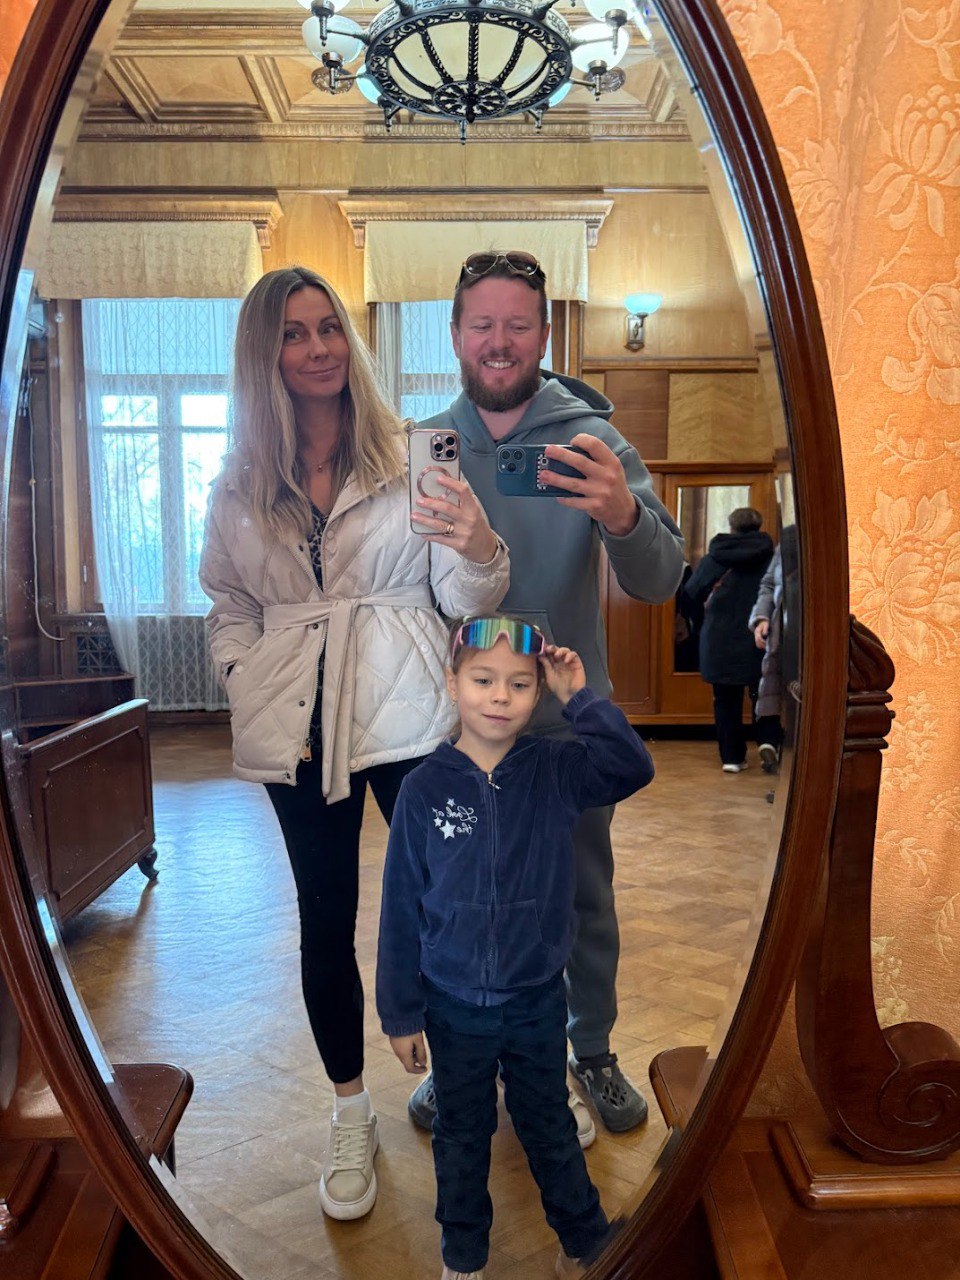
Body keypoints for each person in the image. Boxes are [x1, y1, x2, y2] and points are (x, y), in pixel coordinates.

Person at [198, 266, 510, 1221]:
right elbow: (228, 603)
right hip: (296, 723)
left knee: (450, 908)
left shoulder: (416, 453)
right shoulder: (238, 484)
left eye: (328, 327)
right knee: (324, 919)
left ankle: (457, 1081)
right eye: (293, 334)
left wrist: (478, 544)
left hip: (409, 712)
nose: (318, 348)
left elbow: (461, 598)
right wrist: (242, 675)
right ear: (264, 355)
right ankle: (349, 1111)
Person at [405, 250, 684, 1135]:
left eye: (518, 325)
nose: (500, 342)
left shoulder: (592, 441)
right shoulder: (427, 445)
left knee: (582, 897)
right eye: (482, 324)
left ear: (545, 334)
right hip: (460, 731)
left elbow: (661, 581)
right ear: (456, 335)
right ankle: (458, 1058)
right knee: (453, 901)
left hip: (564, 724)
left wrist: (623, 515)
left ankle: (589, 1048)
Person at [376, 617, 655, 1280]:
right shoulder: (422, 790)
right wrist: (400, 1013)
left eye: (520, 684)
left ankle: (583, 1242)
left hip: (535, 999)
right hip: (452, 1006)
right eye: (483, 679)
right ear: (453, 684)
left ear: (538, 692)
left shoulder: (557, 770)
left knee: (550, 1126)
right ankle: (463, 1255)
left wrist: (579, 697)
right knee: (461, 1136)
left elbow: (632, 767)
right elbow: (400, 908)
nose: (500, 696)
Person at [682, 507, 777, 772]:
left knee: (725, 699)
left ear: (731, 526)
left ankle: (732, 758)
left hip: (719, 637)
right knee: (764, 693)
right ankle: (768, 744)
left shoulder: (716, 556)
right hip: (760, 635)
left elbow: (691, 592)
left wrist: (699, 621)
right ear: (758, 526)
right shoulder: (770, 557)